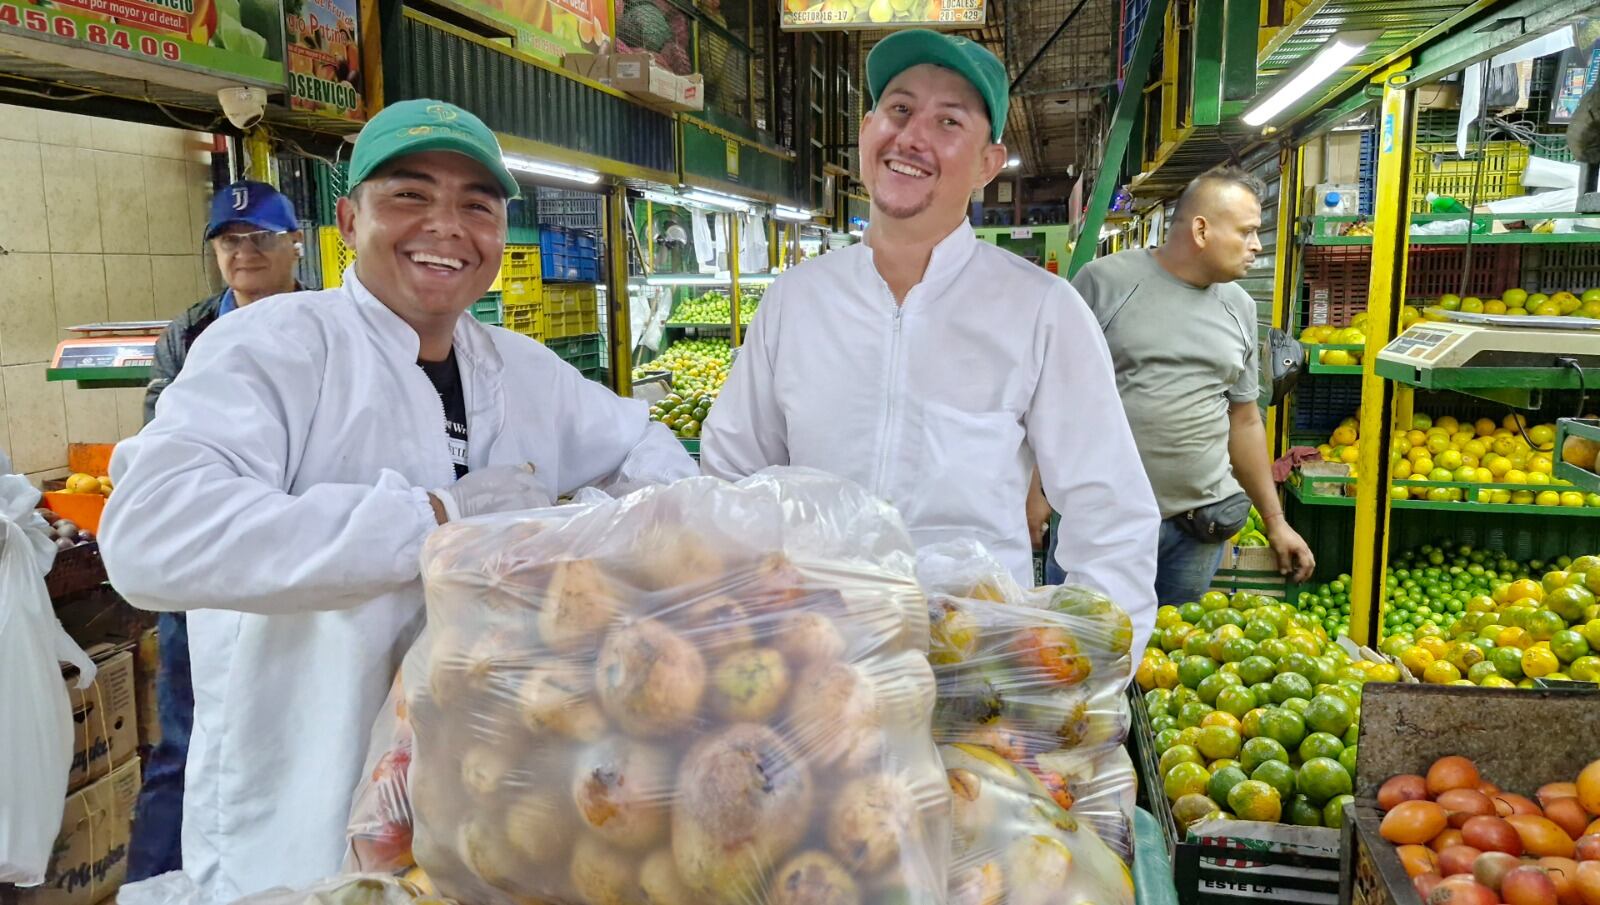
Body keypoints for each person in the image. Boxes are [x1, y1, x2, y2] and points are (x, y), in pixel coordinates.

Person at [99, 99, 696, 901]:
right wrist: (436, 520)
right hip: (298, 826)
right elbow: (149, 533)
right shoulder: (274, 348)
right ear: (347, 219)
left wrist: (595, 533)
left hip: (486, 817)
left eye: (476, 205)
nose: (446, 226)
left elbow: (647, 446)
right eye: (409, 195)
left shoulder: (521, 370)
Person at [699, 30, 1161, 658]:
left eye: (948, 120)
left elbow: (1111, 515)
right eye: (899, 109)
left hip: (972, 674)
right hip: (812, 664)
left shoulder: (1041, 311)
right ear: (867, 131)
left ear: (986, 165)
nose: (911, 136)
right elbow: (731, 480)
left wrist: (1087, 678)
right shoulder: (796, 301)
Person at [127, 180, 304, 882]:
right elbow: (164, 442)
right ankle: (153, 886)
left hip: (299, 561)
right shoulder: (191, 331)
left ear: (296, 242)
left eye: (260, 237)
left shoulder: (337, 321)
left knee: (295, 734)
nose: (244, 252)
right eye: (229, 241)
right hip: (207, 568)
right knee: (185, 739)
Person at [1063, 166, 1315, 605]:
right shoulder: (1104, 283)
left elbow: (1245, 419)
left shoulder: (1238, 304)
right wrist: (1035, 497)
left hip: (1198, 530)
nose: (1257, 245)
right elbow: (1051, 398)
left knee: (1175, 660)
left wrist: (1275, 520)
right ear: (1201, 229)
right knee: (1084, 653)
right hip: (1105, 524)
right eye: (1247, 232)